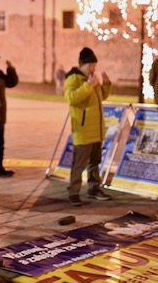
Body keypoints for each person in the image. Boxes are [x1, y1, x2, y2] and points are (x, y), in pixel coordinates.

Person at [64, 47, 112, 206]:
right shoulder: (73, 79)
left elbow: (100, 98)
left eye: (94, 66)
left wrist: (106, 85)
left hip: (96, 130)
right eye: (89, 65)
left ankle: (94, 189)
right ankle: (73, 192)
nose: (92, 69)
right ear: (81, 64)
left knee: (94, 162)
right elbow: (71, 98)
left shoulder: (91, 79)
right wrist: (88, 86)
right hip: (83, 130)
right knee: (79, 164)